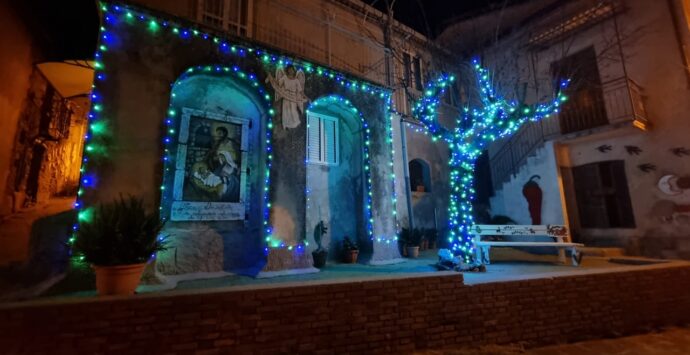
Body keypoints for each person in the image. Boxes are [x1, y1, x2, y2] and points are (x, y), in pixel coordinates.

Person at [266, 65, 308, 129]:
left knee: (293, 111)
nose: (291, 71)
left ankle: (295, 124)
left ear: (294, 71)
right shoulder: (285, 77)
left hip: (293, 97)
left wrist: (306, 97)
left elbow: (300, 91)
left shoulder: (296, 80)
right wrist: (270, 78)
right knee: (286, 111)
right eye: (289, 69)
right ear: (287, 70)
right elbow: (278, 83)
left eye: (292, 70)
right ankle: (286, 125)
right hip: (285, 95)